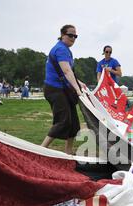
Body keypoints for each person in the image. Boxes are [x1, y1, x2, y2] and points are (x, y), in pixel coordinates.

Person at [41, 24, 87, 154]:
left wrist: (79, 83)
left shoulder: (66, 50)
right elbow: (67, 71)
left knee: (73, 123)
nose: (73, 38)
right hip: (55, 90)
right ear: (62, 35)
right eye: (70, 35)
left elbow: (68, 73)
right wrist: (77, 90)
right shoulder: (61, 49)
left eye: (75, 36)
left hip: (63, 90)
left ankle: (68, 153)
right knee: (63, 121)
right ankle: (41, 149)